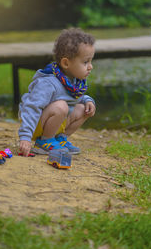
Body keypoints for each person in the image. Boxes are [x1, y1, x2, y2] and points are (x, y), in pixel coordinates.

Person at [19, 27, 96, 157]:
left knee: (83, 108)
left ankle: (60, 139)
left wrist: (88, 100)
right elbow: (32, 106)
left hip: (55, 120)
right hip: (36, 123)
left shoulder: (74, 81)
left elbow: (74, 97)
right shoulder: (48, 82)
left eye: (90, 61)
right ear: (66, 63)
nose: (90, 66)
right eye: (85, 62)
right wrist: (25, 136)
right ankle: (44, 142)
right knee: (61, 106)